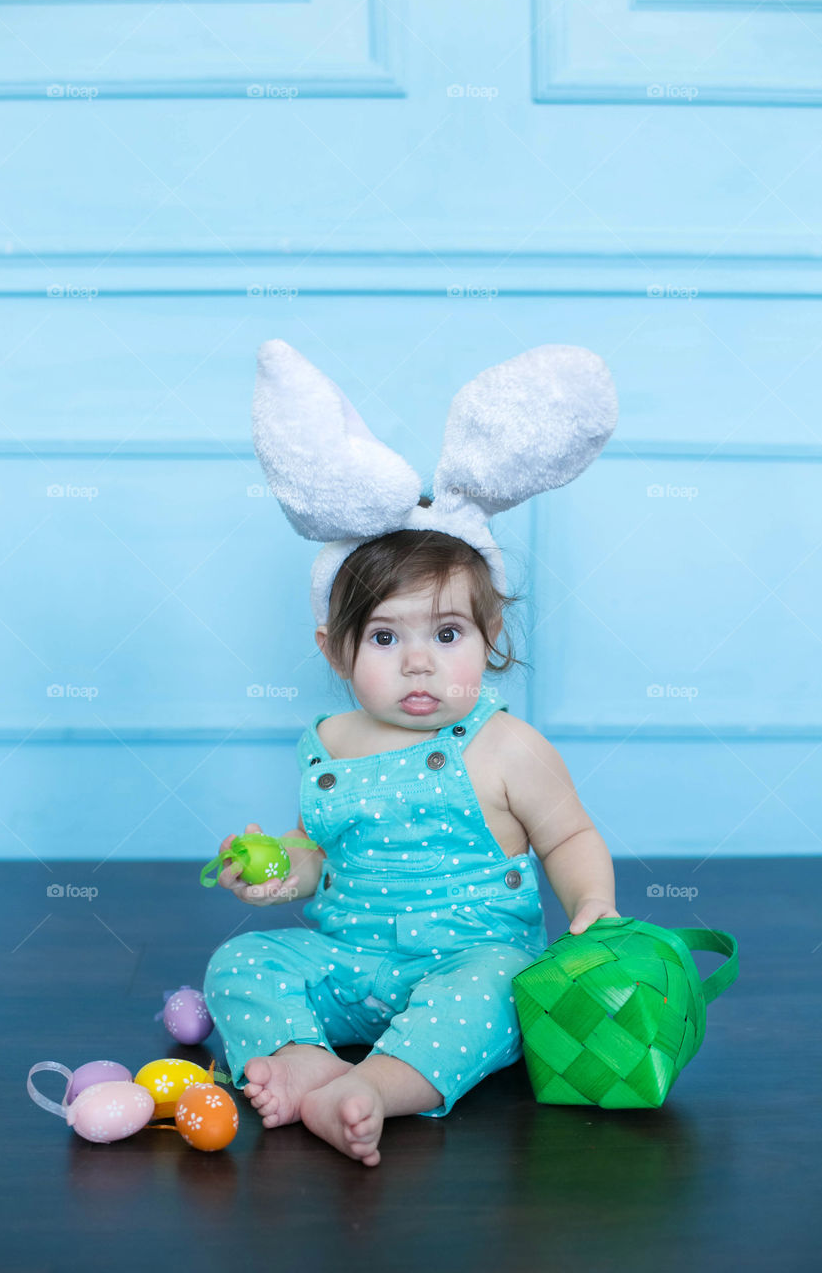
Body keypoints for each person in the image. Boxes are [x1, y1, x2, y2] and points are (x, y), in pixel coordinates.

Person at [203, 337, 621, 1166]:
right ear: (334, 650)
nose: (419, 662)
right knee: (241, 961)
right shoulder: (328, 745)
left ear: (489, 636)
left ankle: (381, 1086)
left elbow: (568, 835)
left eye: (448, 633)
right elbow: (318, 850)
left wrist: (591, 906)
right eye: (386, 637)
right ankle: (306, 1062)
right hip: (350, 962)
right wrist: (281, 871)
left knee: (498, 992)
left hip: (469, 959)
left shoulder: (505, 746)